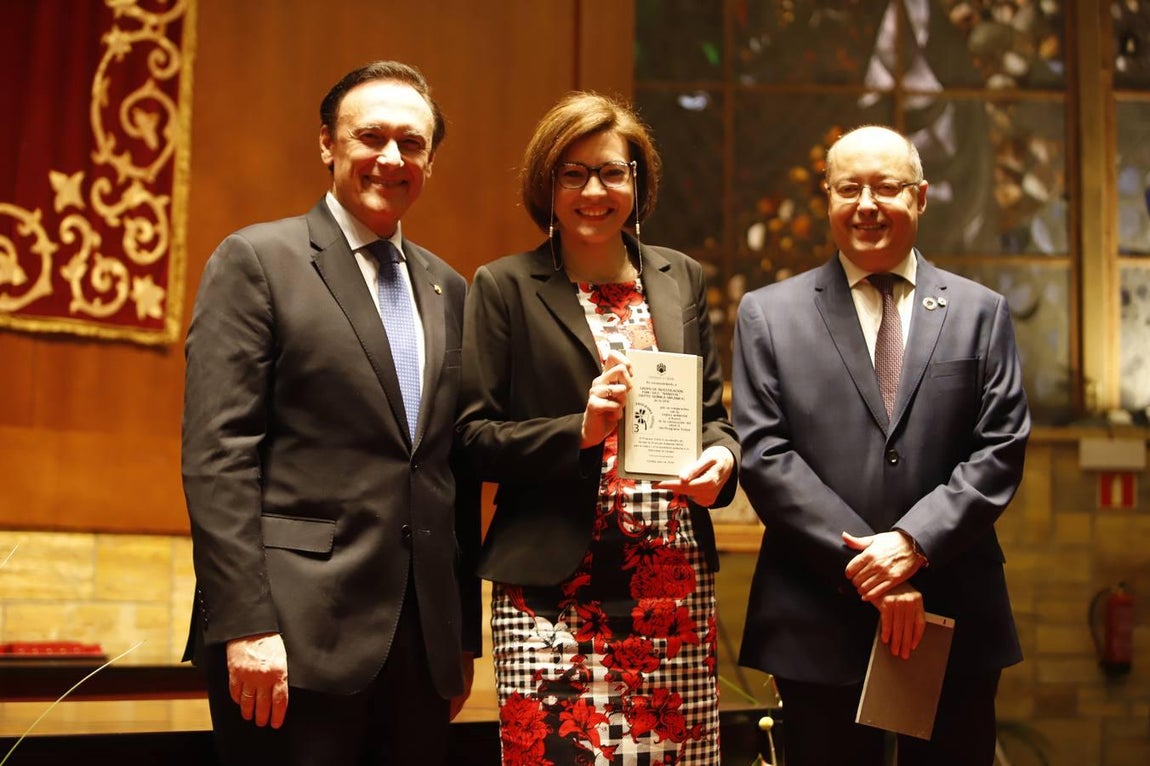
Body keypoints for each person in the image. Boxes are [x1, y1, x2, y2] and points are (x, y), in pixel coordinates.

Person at [181, 60, 480, 766]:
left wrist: (459, 639)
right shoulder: (258, 260)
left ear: (431, 161)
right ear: (327, 143)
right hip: (290, 639)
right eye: (370, 136)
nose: (391, 157)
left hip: (420, 651)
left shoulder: (450, 288)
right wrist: (246, 625)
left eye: (411, 143)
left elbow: (451, 471)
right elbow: (218, 456)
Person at [456, 92, 740, 764]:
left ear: (637, 182)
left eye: (612, 172)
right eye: (573, 174)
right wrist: (577, 431)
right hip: (552, 597)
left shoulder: (679, 278)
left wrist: (723, 462)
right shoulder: (504, 286)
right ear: (546, 185)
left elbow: (715, 420)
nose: (594, 191)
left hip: (671, 586)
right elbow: (471, 440)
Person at [733, 125, 1030, 765]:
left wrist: (912, 543)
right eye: (849, 189)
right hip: (817, 615)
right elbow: (764, 453)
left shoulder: (981, 312)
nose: (867, 204)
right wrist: (873, 569)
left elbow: (1000, 447)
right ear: (828, 199)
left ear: (919, 197)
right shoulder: (768, 314)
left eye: (887, 188)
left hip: (953, 613)